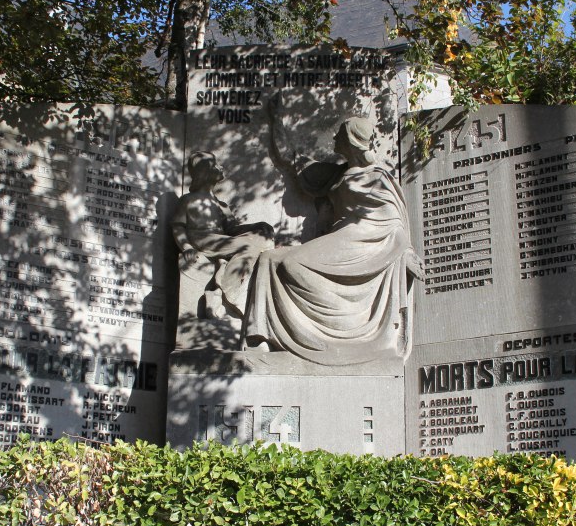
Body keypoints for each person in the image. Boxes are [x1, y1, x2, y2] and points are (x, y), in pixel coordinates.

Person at [243, 98, 423, 365]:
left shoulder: (378, 178)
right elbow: (289, 159)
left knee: (291, 263)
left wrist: (406, 251)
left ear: (352, 140)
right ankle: (260, 338)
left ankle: (333, 331)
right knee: (269, 259)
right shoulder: (335, 174)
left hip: (365, 241)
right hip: (341, 238)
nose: (334, 139)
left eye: (339, 135)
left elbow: (395, 221)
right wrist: (276, 121)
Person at [171, 151, 273, 318]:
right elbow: (178, 226)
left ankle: (217, 292)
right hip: (202, 239)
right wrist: (187, 246)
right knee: (249, 245)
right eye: (215, 164)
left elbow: (233, 230)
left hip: (221, 241)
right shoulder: (188, 200)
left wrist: (257, 226)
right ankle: (227, 293)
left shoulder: (222, 206)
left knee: (261, 239)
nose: (220, 167)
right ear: (204, 172)